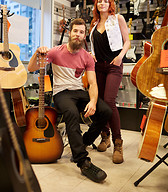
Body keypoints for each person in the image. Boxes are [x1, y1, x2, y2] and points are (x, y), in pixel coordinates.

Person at [27, 18, 112, 183]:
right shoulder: (55, 52)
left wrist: (93, 102)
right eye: (75, 31)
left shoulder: (87, 57)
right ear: (69, 32)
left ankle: (84, 142)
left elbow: (93, 83)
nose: (78, 35)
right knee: (71, 113)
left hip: (80, 92)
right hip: (62, 93)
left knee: (106, 111)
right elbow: (31, 68)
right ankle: (83, 161)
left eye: (81, 32)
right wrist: (37, 52)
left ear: (84, 35)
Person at [89, 0, 130, 164]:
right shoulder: (94, 23)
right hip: (98, 67)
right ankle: (104, 136)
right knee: (99, 101)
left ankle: (117, 143)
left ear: (110, 3)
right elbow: (93, 46)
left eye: (105, 1)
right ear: (96, 5)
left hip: (114, 65)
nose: (102, 3)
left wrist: (121, 56)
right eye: (99, 1)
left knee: (109, 100)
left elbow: (127, 41)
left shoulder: (117, 18)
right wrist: (91, 53)